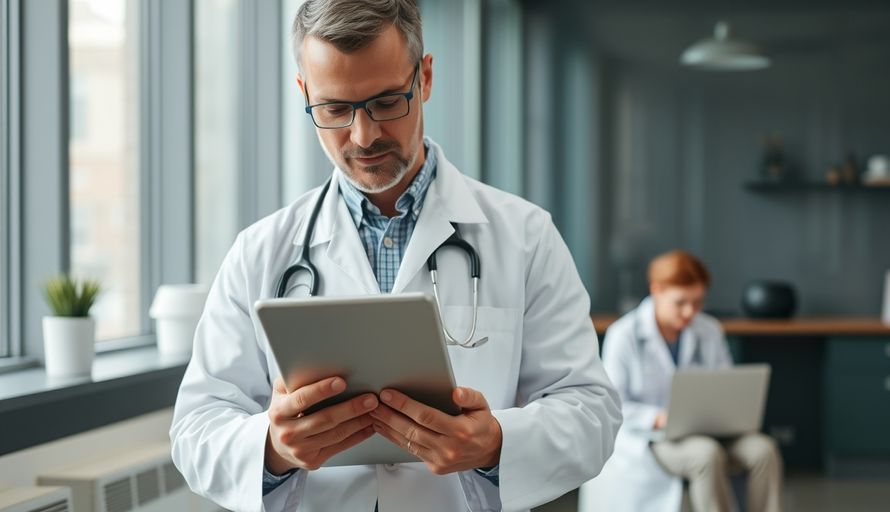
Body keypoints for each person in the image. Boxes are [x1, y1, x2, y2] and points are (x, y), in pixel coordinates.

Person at [169, 1, 621, 510]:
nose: (364, 137)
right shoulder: (260, 252)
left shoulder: (526, 237)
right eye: (335, 109)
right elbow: (195, 429)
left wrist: (496, 443)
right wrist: (272, 450)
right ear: (304, 93)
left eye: (386, 102)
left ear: (424, 78)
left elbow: (591, 413)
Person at [582, 250, 782, 512]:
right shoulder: (624, 335)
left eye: (697, 302)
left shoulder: (708, 330)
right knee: (705, 455)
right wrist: (660, 418)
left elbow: (726, 386)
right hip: (653, 435)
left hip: (712, 428)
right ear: (657, 290)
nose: (690, 311)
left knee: (763, 451)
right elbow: (612, 405)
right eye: (681, 302)